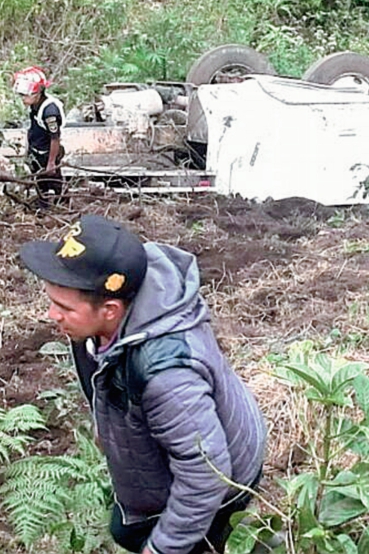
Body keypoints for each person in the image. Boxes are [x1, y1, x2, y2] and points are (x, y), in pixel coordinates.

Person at [19, 215, 267, 554]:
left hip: (223, 481)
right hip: (194, 445)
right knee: (126, 530)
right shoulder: (113, 307)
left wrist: (162, 548)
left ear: (110, 310)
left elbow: (206, 476)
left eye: (63, 307)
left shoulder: (167, 376)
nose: (51, 315)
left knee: (169, 539)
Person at [12, 66, 65, 202]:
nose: (23, 98)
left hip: (47, 153)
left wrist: (51, 162)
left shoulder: (49, 112)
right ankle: (43, 203)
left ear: (39, 92)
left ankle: (61, 204)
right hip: (36, 150)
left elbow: (55, 138)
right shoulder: (34, 106)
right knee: (39, 183)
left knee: (52, 181)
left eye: (26, 95)